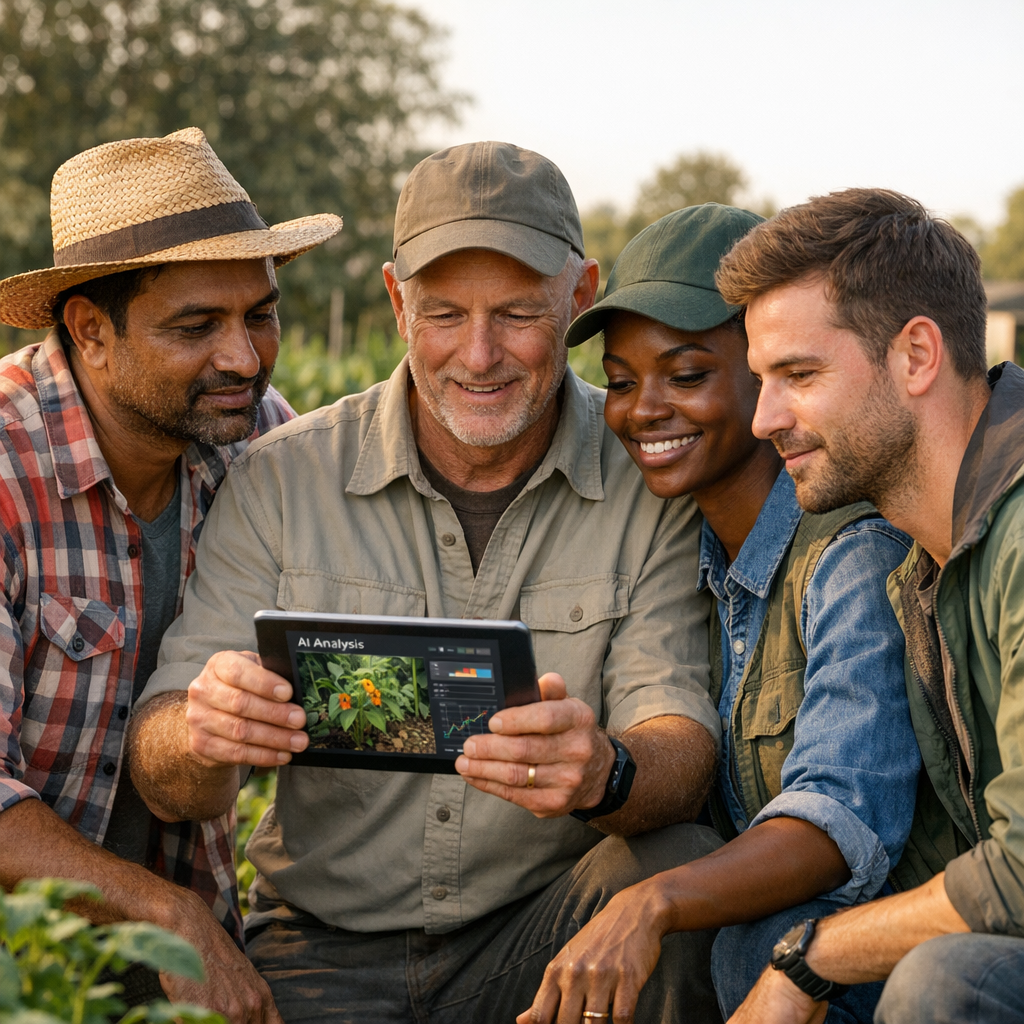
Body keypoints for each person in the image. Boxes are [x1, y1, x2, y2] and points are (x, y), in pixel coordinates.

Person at [129, 141, 727, 1023]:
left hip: (544, 929)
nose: (479, 355)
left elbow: (678, 728)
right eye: (444, 313)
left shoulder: (648, 473)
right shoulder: (280, 477)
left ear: (580, 294)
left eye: (520, 313)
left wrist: (608, 770)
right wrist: (204, 731)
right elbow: (165, 767)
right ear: (396, 302)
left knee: (676, 861)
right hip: (324, 943)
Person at [518, 204, 921, 1024]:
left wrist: (652, 903)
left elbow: (836, 818)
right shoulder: (691, 557)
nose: (643, 409)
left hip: (875, 969)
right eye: (622, 381)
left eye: (688, 374)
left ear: (766, 372)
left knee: (736, 935)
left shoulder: (848, 555)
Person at [0, 127, 342, 1022]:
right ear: (90, 333)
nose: (243, 357)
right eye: (196, 326)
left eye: (259, 314)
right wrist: (164, 914)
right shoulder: (6, 473)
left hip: (194, 935)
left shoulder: (257, 437)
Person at [713, 187, 1024, 1024]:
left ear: (916, 356)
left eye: (800, 375)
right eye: (760, 381)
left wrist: (812, 962)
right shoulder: (920, 561)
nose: (765, 418)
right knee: (753, 937)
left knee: (939, 983)